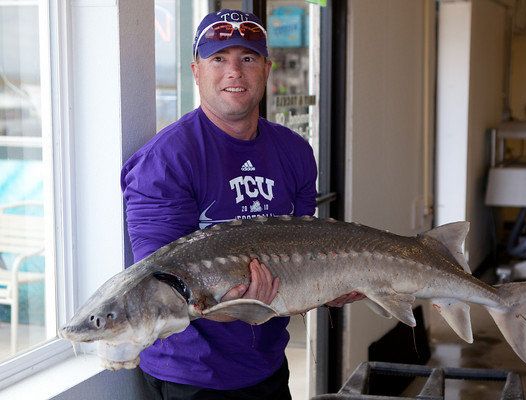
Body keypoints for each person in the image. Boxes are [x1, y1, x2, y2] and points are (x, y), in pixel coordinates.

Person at [121, 9, 362, 399]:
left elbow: (303, 252)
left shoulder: (295, 151)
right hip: (191, 375)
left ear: (267, 69)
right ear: (196, 70)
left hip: (267, 365)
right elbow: (157, 288)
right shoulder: (164, 161)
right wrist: (229, 307)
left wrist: (329, 285)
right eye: (219, 59)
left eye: (247, 58)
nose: (234, 71)